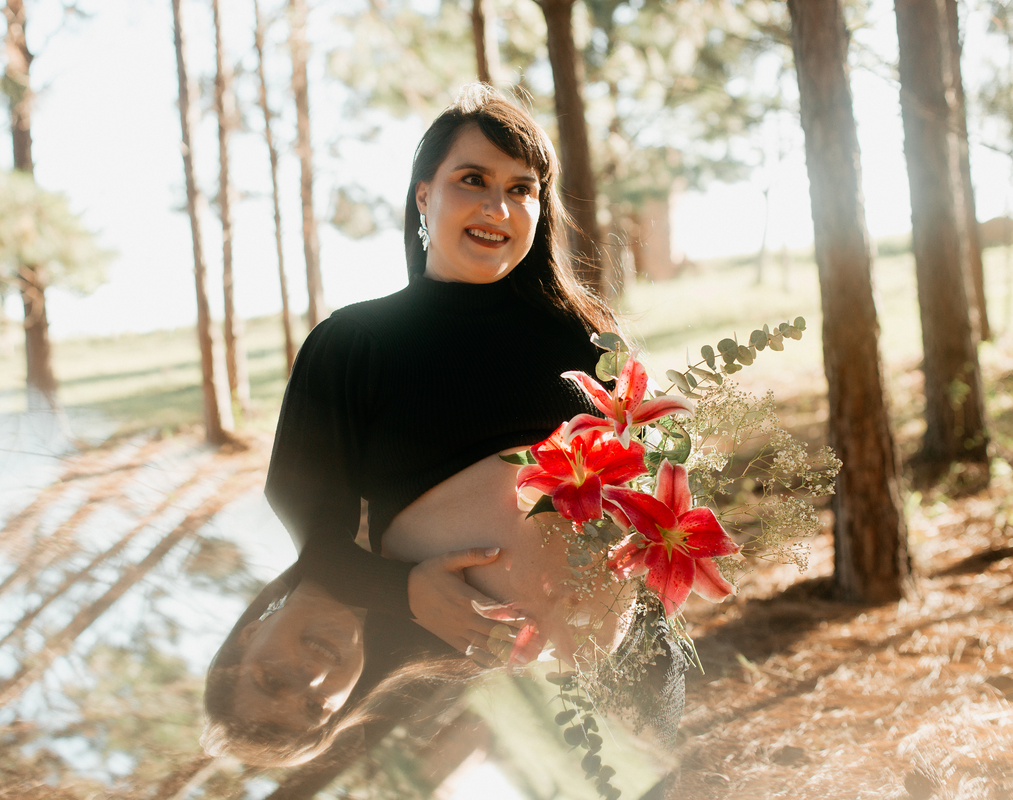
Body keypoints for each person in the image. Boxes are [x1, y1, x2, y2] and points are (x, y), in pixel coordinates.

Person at [205, 83, 682, 769]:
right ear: (424, 194)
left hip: (627, 662)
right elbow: (316, 537)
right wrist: (404, 592)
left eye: (521, 189)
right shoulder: (353, 344)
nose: (497, 208)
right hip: (516, 700)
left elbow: (647, 487)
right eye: (472, 180)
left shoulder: (586, 335)